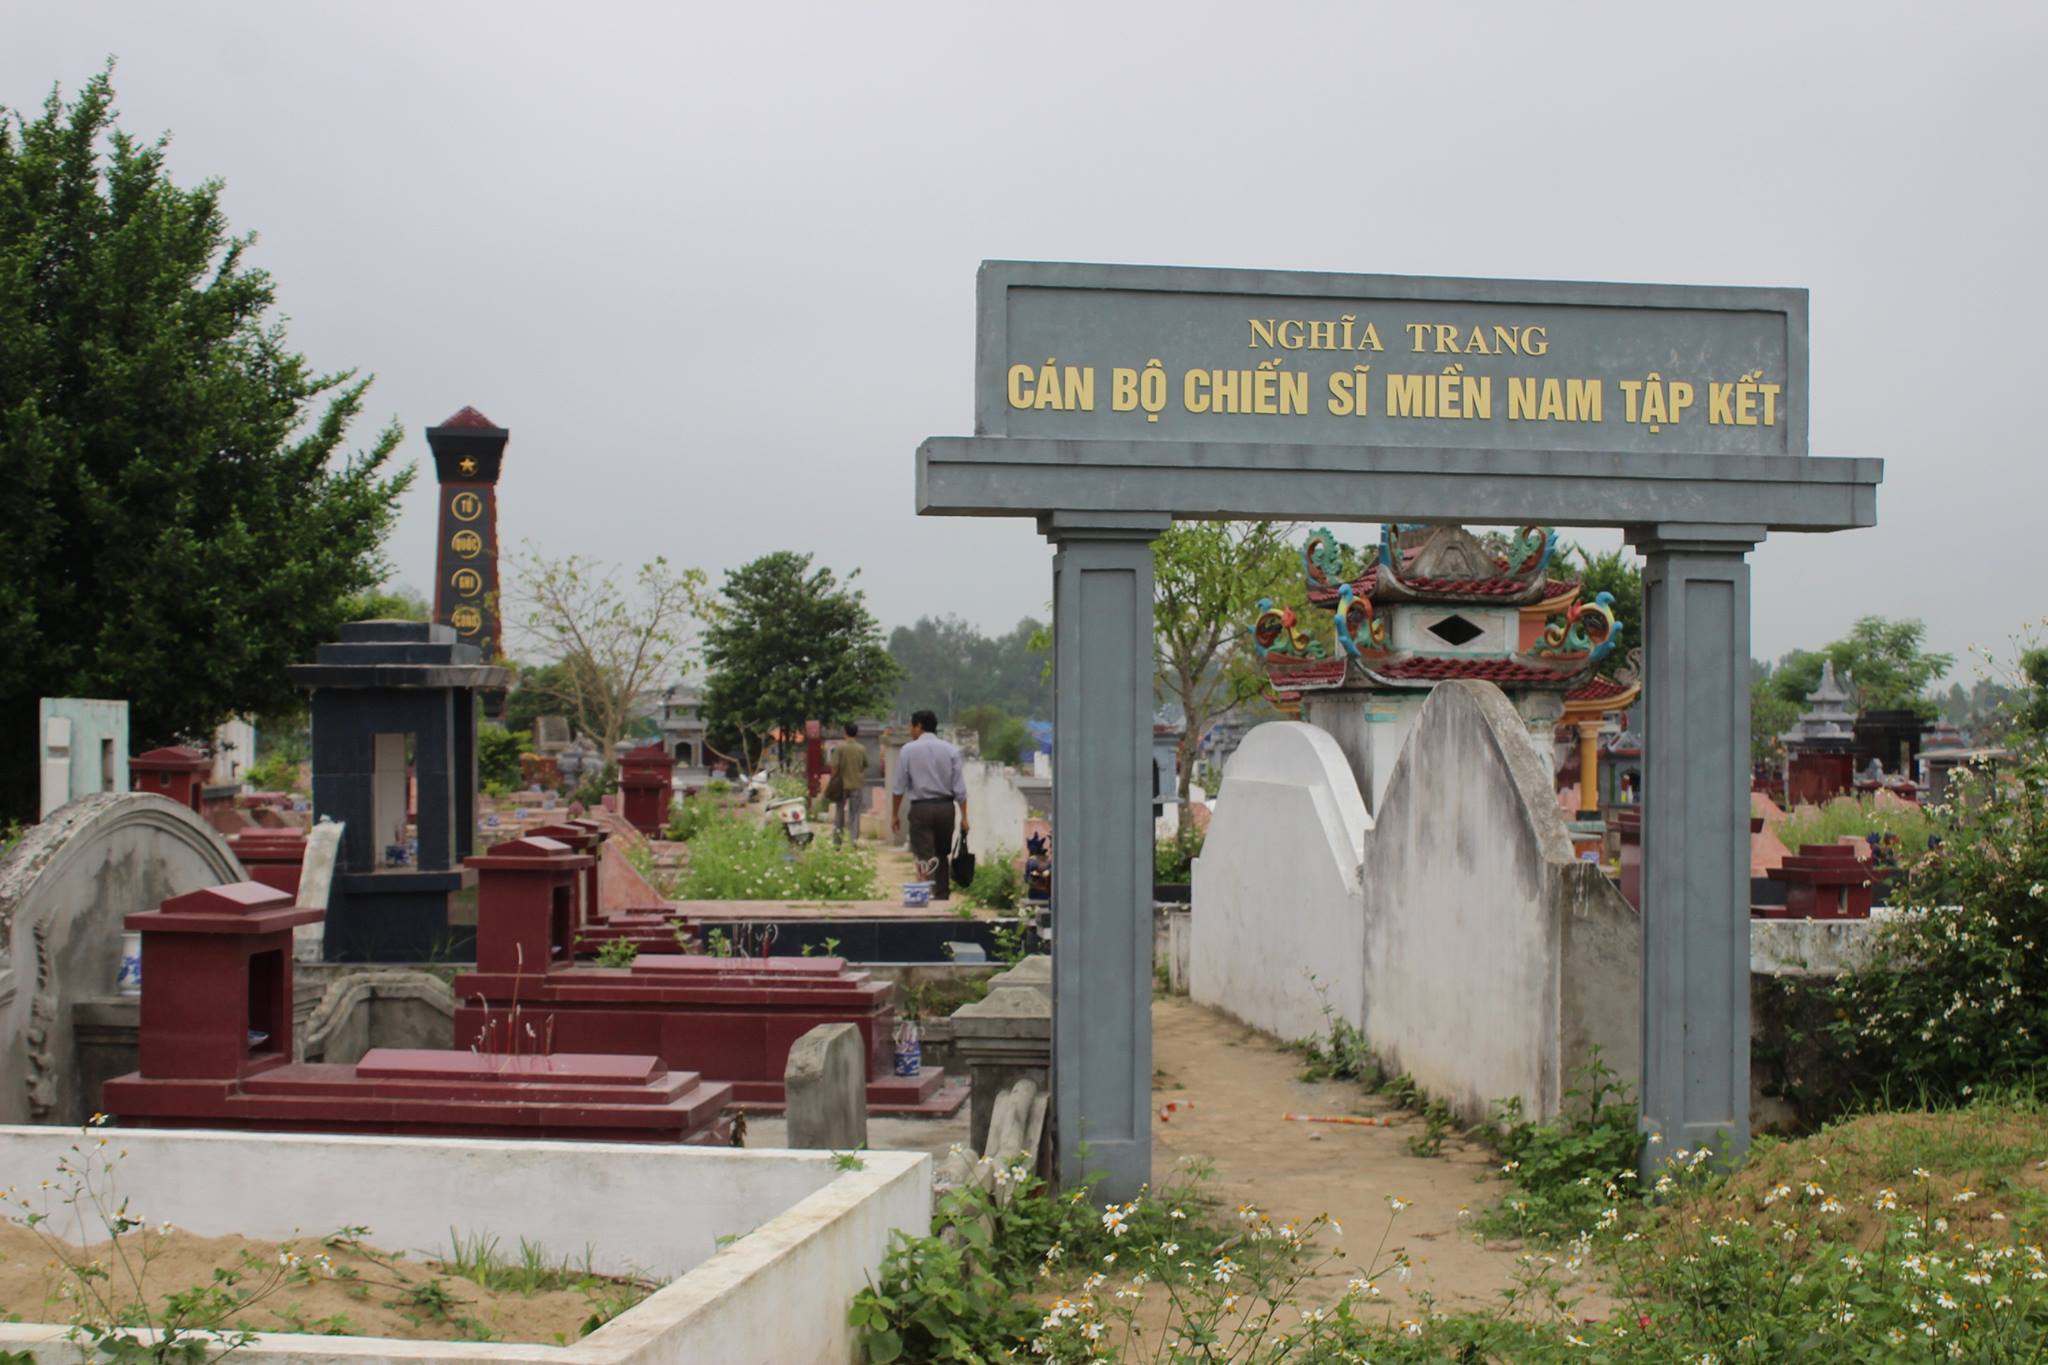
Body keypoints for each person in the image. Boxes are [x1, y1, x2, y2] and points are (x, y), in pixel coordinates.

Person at [890, 708, 969, 899]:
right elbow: (960, 789)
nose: (910, 730)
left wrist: (894, 814)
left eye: (911, 726)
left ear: (919, 726)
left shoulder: (908, 750)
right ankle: (942, 894)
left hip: (921, 808)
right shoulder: (950, 750)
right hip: (945, 808)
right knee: (942, 853)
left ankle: (926, 894)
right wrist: (964, 817)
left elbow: (898, 787)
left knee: (924, 854)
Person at [829, 722, 869, 844]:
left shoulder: (840, 748)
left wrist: (833, 779)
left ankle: (837, 841)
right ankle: (853, 840)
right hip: (856, 784)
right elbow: (865, 765)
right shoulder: (861, 749)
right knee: (855, 813)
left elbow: (834, 767)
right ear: (856, 733)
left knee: (839, 812)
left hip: (841, 785)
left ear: (845, 732)